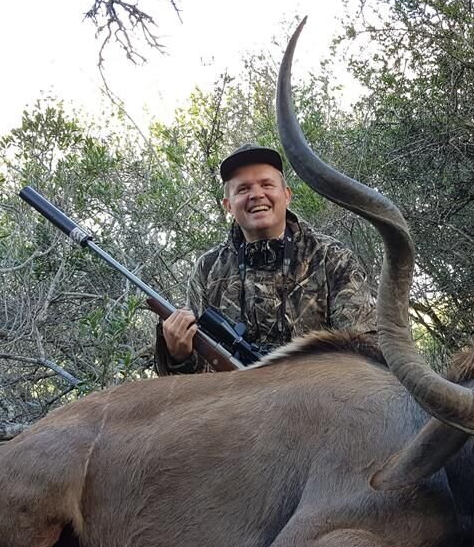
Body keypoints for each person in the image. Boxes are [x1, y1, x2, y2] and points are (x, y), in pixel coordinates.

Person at [156, 143, 376, 375]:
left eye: (266, 184)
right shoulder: (208, 269)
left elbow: (365, 355)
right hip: (238, 405)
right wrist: (180, 356)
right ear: (228, 205)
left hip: (319, 402)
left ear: (287, 195)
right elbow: (201, 381)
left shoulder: (332, 258)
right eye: (242, 189)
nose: (256, 195)